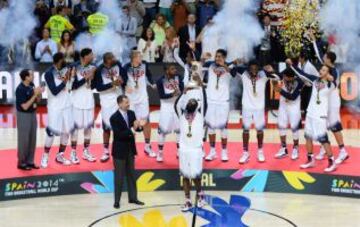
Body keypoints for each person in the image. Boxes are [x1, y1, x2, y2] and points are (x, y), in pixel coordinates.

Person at [289, 61, 337, 172]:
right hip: (310, 114)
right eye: (321, 69)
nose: (321, 71)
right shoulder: (314, 79)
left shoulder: (331, 85)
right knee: (308, 137)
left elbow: (334, 80)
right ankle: (310, 160)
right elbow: (302, 74)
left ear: (328, 73)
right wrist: (292, 65)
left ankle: (332, 162)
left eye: (324, 70)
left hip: (320, 116)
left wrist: (330, 77)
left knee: (323, 139)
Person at [310, 36, 349, 164]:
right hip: (326, 101)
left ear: (329, 60)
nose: (323, 58)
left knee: (334, 126)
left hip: (333, 102)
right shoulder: (327, 66)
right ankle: (323, 149)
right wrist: (313, 40)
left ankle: (343, 151)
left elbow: (333, 80)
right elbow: (318, 53)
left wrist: (327, 76)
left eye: (325, 57)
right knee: (323, 125)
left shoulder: (334, 71)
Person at [238, 61, 279, 164]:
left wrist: (272, 70)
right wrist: (236, 62)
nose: (254, 70)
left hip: (259, 108)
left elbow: (278, 78)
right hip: (246, 107)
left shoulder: (264, 76)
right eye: (251, 68)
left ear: (259, 69)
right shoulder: (244, 74)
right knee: (245, 131)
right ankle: (245, 152)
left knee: (259, 131)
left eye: (256, 68)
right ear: (248, 69)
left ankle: (260, 152)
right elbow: (233, 69)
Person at [40, 53, 74, 168]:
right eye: (63, 59)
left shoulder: (67, 69)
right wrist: (64, 81)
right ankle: (45, 156)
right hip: (55, 107)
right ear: (59, 61)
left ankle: (60, 155)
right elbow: (54, 91)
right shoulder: (49, 73)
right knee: (51, 133)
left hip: (67, 106)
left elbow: (78, 65)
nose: (65, 61)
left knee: (66, 131)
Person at [111, 95, 145, 209]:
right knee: (119, 177)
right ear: (120, 104)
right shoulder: (114, 118)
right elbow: (119, 135)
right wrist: (132, 130)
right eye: (126, 102)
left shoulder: (131, 113)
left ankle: (133, 198)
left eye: (128, 102)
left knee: (132, 175)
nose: (128, 104)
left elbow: (136, 128)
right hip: (119, 152)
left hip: (130, 149)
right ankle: (117, 201)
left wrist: (140, 127)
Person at [203, 49, 238, 162]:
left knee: (223, 127)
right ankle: (212, 151)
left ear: (224, 58)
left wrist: (226, 65)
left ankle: (224, 152)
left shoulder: (230, 68)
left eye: (220, 56)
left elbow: (233, 74)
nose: (217, 58)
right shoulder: (210, 65)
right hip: (211, 101)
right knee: (211, 127)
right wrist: (202, 57)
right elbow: (199, 63)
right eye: (216, 56)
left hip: (223, 101)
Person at [175, 95, 207, 212]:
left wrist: (201, 86)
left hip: (196, 149)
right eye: (189, 102)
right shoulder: (181, 115)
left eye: (193, 102)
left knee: (196, 176)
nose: (191, 103)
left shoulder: (200, 115)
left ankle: (200, 195)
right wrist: (183, 92)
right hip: (184, 149)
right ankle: (188, 201)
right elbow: (177, 104)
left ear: (196, 106)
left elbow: (205, 100)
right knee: (185, 175)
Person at [122, 50, 156, 157]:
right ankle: (131, 148)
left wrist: (153, 83)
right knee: (131, 124)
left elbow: (150, 75)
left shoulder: (144, 65)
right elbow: (121, 79)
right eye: (139, 56)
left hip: (142, 98)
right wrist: (124, 86)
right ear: (134, 58)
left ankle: (147, 146)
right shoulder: (126, 67)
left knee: (146, 122)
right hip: (130, 99)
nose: (141, 57)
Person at [94, 52, 126, 162]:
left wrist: (122, 81)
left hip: (119, 99)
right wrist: (112, 84)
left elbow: (124, 77)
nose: (115, 59)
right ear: (107, 60)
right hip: (107, 101)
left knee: (121, 127)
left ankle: (120, 150)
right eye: (112, 57)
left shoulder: (118, 65)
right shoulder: (99, 70)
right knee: (107, 128)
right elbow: (98, 87)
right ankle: (106, 151)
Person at [266, 67, 303, 160]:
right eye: (284, 77)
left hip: (294, 106)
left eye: (287, 78)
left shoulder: (299, 82)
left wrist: (280, 91)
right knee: (282, 126)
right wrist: (272, 76)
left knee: (294, 127)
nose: (285, 79)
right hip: (283, 106)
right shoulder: (282, 76)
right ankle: (283, 148)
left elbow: (293, 97)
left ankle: (295, 148)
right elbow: (273, 78)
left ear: (292, 77)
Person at [69, 48, 97, 164]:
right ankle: (73, 152)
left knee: (88, 127)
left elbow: (94, 86)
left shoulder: (94, 67)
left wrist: (93, 77)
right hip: (76, 102)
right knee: (75, 129)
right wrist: (86, 78)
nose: (93, 56)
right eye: (91, 54)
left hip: (89, 101)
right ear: (85, 56)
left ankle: (86, 151)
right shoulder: (74, 67)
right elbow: (72, 86)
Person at [156, 64, 184, 162]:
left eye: (175, 68)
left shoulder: (179, 77)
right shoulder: (160, 80)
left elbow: (182, 90)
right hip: (166, 107)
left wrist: (180, 92)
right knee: (162, 131)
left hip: (177, 106)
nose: (175, 70)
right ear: (167, 70)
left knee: (179, 130)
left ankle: (179, 151)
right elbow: (161, 95)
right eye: (172, 69)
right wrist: (172, 94)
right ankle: (159, 153)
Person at [15, 69, 42, 170]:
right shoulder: (20, 89)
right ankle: (21, 162)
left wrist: (39, 94)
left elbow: (38, 100)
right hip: (23, 115)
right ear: (26, 77)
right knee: (24, 140)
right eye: (31, 75)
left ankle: (30, 161)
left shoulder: (32, 85)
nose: (33, 76)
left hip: (33, 114)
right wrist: (35, 94)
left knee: (32, 139)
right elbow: (25, 106)